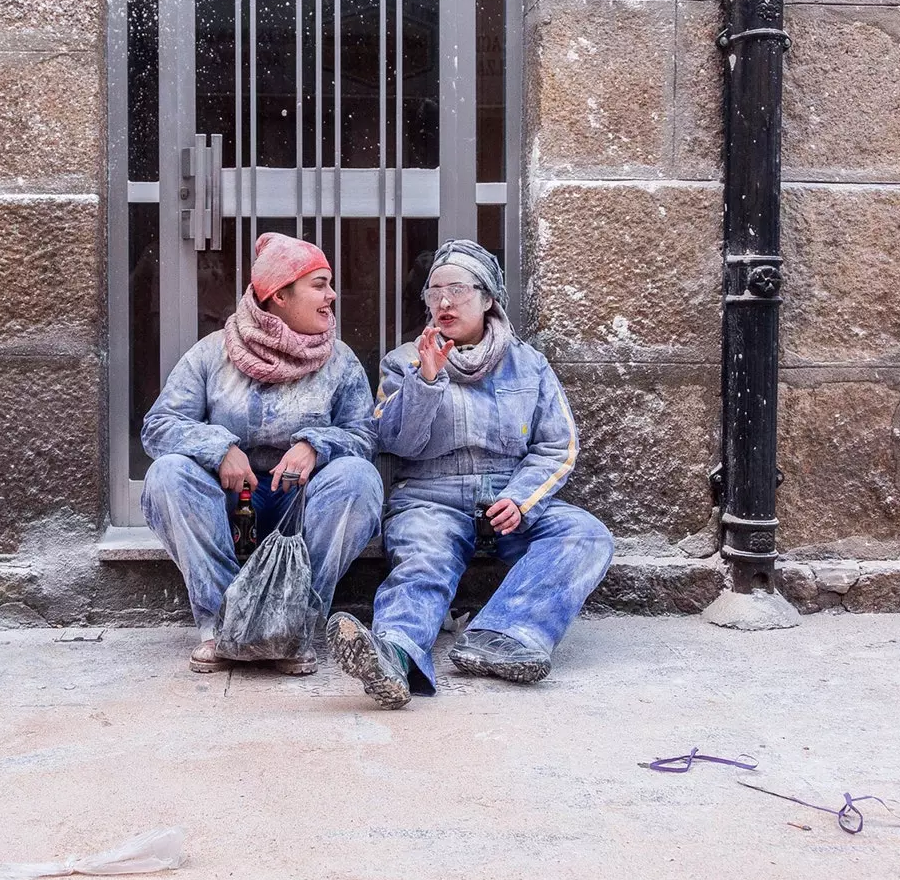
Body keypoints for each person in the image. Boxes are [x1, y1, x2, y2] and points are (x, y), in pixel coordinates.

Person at [326, 239, 614, 709]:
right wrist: (427, 381)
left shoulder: (529, 364)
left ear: (488, 298)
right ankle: (393, 655)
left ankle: (504, 635)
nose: (443, 302)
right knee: (423, 561)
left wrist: (522, 498)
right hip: (429, 495)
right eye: (434, 291)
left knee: (585, 534)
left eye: (457, 290)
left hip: (508, 496)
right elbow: (395, 442)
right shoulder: (404, 362)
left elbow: (558, 445)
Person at [141, 233, 383, 675]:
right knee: (168, 474)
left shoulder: (340, 361)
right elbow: (158, 427)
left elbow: (365, 437)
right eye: (320, 284)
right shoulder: (213, 354)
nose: (332, 296)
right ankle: (222, 628)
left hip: (302, 503)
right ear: (278, 295)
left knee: (358, 478)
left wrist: (317, 445)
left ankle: (294, 629)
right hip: (232, 505)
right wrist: (220, 447)